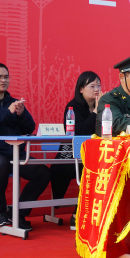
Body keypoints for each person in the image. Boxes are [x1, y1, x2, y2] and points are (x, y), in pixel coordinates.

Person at [0, 62, 50, 231]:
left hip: (15, 154)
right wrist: (7, 113)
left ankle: (18, 213)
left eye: (6, 77)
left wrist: (21, 114)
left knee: (43, 172)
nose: (3, 80)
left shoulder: (13, 102)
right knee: (0, 163)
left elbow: (29, 128)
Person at [51, 71, 102, 228]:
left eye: (99, 86)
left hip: (92, 155)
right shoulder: (72, 107)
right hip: (69, 157)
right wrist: (95, 112)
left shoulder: (103, 107)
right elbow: (79, 132)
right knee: (92, 170)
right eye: (92, 86)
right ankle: (77, 215)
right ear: (81, 89)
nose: (97, 89)